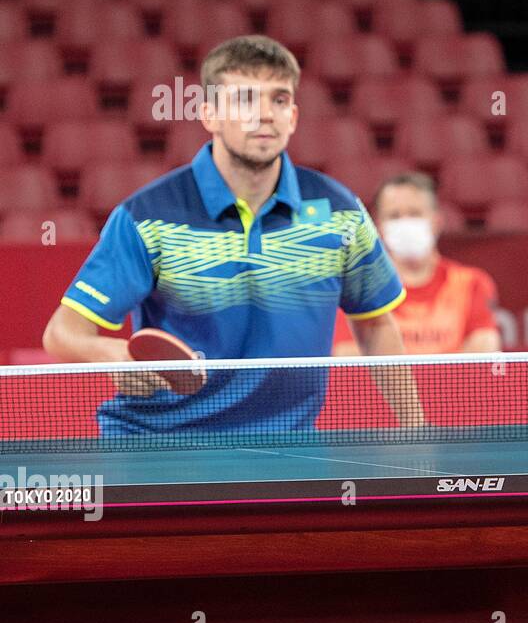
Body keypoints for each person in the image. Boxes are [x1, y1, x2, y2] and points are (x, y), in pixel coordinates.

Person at [43, 35, 417, 432]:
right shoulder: (149, 217)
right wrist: (108, 351)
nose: (265, 115)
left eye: (279, 99)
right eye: (245, 99)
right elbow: (61, 333)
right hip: (159, 444)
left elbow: (376, 325)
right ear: (209, 115)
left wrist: (418, 434)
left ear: (292, 116)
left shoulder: (339, 213)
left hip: (286, 449)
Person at [334, 172, 501, 355]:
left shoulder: (472, 283)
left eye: (415, 213)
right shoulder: (360, 289)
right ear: (379, 227)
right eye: (394, 216)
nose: (405, 223)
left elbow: (483, 354)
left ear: (437, 221)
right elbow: (347, 361)